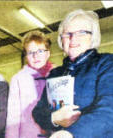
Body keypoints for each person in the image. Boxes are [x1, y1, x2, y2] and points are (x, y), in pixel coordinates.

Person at [32, 9, 113, 138]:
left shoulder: (106, 63)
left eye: (82, 32)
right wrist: (54, 118)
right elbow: (38, 111)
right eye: (67, 34)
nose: (73, 38)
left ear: (93, 37)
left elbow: (109, 110)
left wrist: (70, 133)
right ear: (61, 40)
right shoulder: (55, 73)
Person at [5, 31, 53, 138]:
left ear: (47, 53)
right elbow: (13, 117)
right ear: (26, 56)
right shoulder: (18, 79)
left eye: (40, 51)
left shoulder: (58, 75)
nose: (36, 56)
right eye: (31, 52)